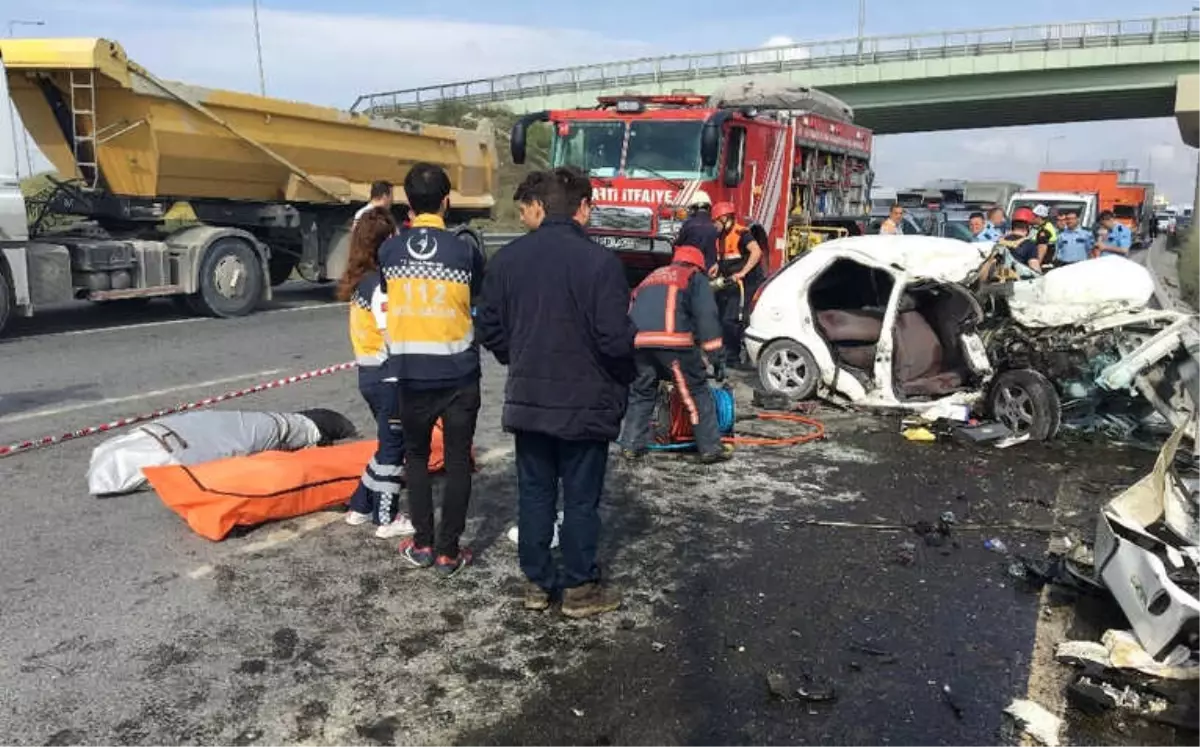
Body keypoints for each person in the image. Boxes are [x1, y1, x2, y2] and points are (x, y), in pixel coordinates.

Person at [476, 166, 635, 618]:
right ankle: (581, 588)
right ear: (583, 208)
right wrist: (624, 375)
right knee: (581, 498)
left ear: (541, 208)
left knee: (534, 492)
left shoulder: (507, 260)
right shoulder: (602, 263)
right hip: (586, 401)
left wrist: (517, 356)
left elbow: (488, 325)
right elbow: (614, 340)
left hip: (529, 399)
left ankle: (537, 583)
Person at [381, 163, 484, 577]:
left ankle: (421, 543)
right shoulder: (465, 251)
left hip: (410, 374)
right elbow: (478, 299)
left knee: (417, 458)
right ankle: (448, 552)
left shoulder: (389, 251)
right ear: (447, 201)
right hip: (459, 372)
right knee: (458, 460)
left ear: (407, 203)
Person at [335, 207, 413, 538]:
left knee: (385, 444)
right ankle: (387, 517)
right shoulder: (378, 285)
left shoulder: (359, 282)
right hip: (387, 375)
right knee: (395, 448)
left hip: (368, 374)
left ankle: (360, 505)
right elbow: (390, 332)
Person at [618, 244, 732, 464]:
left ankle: (630, 444)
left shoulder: (652, 277)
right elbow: (706, 317)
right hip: (674, 345)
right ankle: (710, 447)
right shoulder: (694, 277)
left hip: (639, 343)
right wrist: (717, 357)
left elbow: (631, 308)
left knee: (642, 393)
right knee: (695, 393)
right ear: (698, 264)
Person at [711, 201, 764, 369]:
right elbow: (726, 257)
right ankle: (726, 353)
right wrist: (717, 266)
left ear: (725, 218)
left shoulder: (742, 233)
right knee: (721, 317)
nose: (714, 225)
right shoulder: (721, 236)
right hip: (730, 282)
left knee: (732, 319)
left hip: (745, 283)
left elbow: (756, 252)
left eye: (716, 222)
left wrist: (743, 272)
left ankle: (733, 358)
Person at [979, 207, 1040, 282]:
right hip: (1016, 285)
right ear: (1028, 227)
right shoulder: (1030, 244)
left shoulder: (1000, 240)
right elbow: (1035, 270)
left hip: (995, 283)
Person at [673, 189, 721, 275]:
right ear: (709, 208)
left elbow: (678, 243)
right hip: (711, 269)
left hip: (691, 268)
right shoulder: (715, 225)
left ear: (693, 208)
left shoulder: (688, 224)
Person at [1027, 204, 1057, 271]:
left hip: (1043, 266)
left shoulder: (1044, 230)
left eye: (1034, 216)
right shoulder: (1042, 226)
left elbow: (1042, 249)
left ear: (1039, 217)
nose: (1032, 218)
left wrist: (1035, 269)